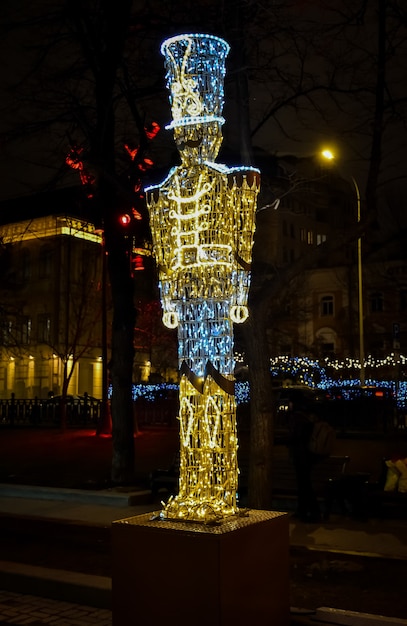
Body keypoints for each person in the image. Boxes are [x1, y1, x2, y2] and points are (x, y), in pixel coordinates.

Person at [285, 398, 321, 522]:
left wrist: (282, 441)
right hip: (306, 456)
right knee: (304, 485)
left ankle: (310, 512)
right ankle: (305, 511)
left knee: (304, 485)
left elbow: (294, 436)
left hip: (301, 456)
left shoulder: (296, 418)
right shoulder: (306, 418)